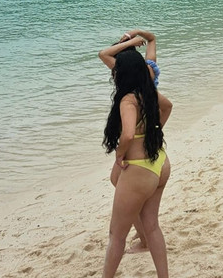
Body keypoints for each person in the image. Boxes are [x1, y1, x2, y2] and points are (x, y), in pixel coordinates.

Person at [99, 37, 172, 278]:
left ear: (121, 73)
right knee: (152, 226)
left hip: (140, 170)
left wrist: (120, 154)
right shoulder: (147, 88)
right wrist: (154, 131)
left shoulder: (128, 99)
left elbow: (128, 134)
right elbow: (168, 106)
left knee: (116, 235)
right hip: (159, 160)